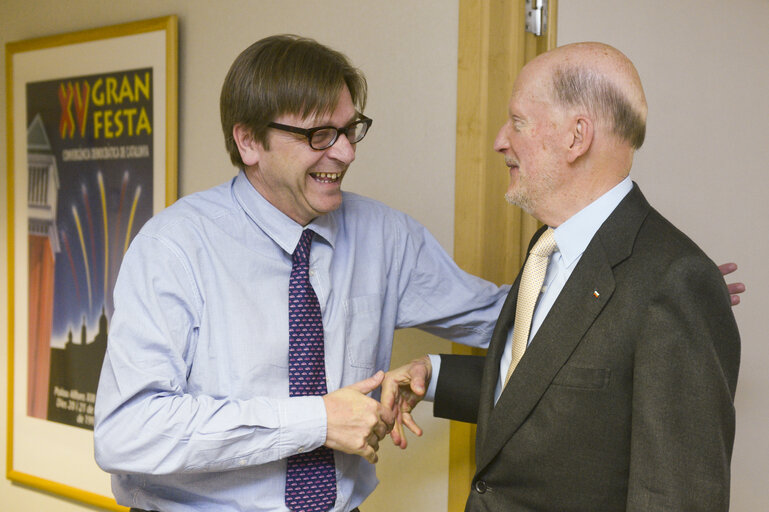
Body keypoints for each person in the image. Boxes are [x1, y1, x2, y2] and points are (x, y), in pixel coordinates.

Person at [93, 35, 510, 512]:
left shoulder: (388, 238)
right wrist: (317, 421)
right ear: (249, 141)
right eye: (318, 136)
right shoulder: (173, 248)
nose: (346, 153)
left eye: (350, 130)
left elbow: (507, 321)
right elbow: (127, 431)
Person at [385, 42, 741, 511]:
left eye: (517, 122)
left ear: (577, 136)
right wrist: (432, 376)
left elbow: (677, 497)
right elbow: (549, 388)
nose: (499, 141)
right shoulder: (547, 246)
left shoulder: (675, 280)